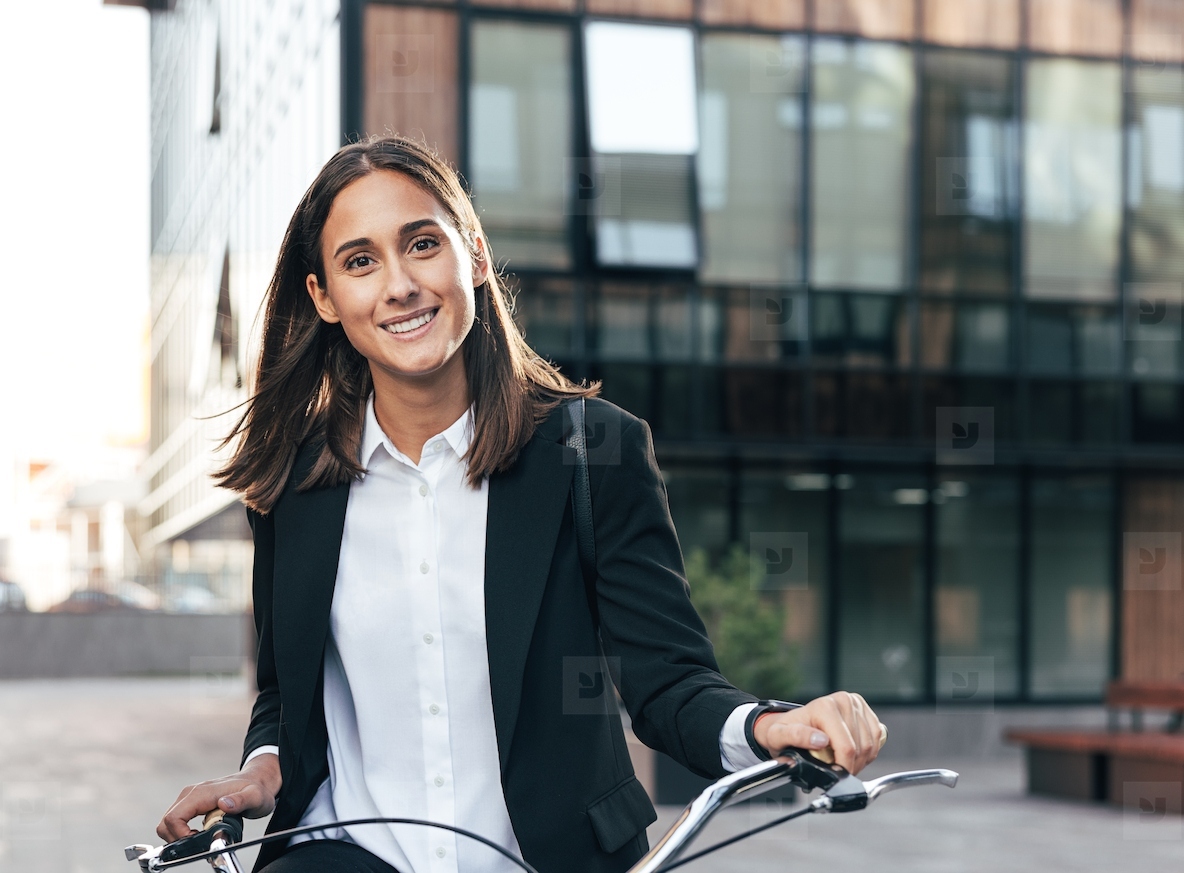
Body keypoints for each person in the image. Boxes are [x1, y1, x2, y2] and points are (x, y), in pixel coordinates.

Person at [156, 136, 885, 873]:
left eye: (422, 243)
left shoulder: (596, 454)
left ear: (473, 256)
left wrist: (775, 725)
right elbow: (286, 692)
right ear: (324, 297)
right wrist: (262, 767)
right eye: (360, 261)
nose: (400, 284)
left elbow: (668, 682)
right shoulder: (295, 482)